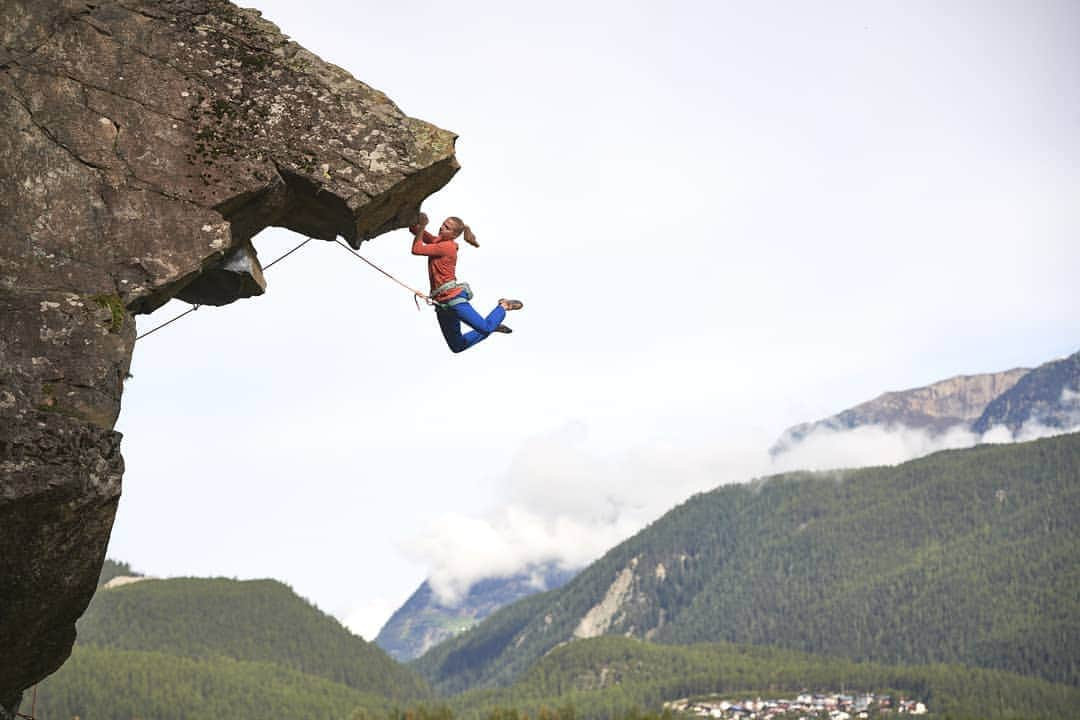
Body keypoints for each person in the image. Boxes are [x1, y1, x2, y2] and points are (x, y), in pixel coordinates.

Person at [409, 212, 523, 353]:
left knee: (486, 327)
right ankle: (493, 326)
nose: (442, 228)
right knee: (457, 346)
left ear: (454, 235)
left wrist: (422, 226)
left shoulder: (447, 247)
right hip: (441, 303)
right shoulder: (438, 242)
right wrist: (415, 221)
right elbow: (415, 230)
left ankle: (504, 306)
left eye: (447, 228)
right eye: (443, 224)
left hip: (453, 299)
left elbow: (416, 249)